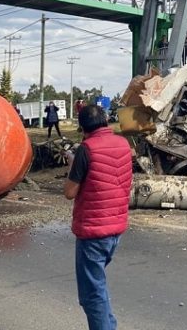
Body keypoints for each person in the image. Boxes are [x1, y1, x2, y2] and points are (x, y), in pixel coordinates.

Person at [64, 105, 133, 329]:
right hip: (116, 227)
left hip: (93, 230)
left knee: (91, 294)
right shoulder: (123, 143)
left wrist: (72, 165)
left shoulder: (86, 149)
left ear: (82, 127)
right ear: (105, 121)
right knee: (98, 287)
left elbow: (69, 192)